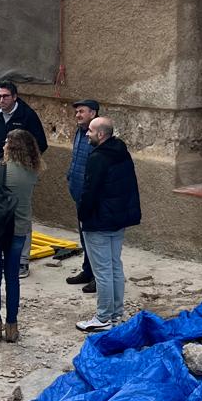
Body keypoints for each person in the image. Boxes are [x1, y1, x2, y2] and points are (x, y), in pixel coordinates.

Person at [0, 127, 41, 345]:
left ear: (11, 148)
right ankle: (12, 326)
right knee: (12, 278)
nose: (3, 145)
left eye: (6, 143)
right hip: (19, 229)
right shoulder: (32, 172)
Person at [75, 117, 140, 333]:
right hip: (118, 220)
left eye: (90, 131)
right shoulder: (122, 152)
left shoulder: (98, 158)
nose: (87, 134)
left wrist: (83, 215)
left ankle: (103, 317)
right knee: (114, 267)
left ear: (101, 134)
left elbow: (89, 191)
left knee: (102, 271)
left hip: (99, 222)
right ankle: (116, 314)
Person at [0, 81, 48, 277]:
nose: (1, 100)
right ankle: (4, 253)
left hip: (20, 173)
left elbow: (40, 143)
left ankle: (22, 260)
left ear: (15, 97)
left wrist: (26, 165)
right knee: (0, 213)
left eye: (5, 96)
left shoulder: (27, 116)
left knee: (21, 215)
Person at [65, 100, 99, 295]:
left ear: (92, 113)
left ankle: (97, 277)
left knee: (93, 238)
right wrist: (70, 176)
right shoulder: (80, 132)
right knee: (84, 236)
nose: (77, 115)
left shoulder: (97, 135)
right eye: (76, 111)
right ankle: (88, 271)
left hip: (91, 196)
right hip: (79, 193)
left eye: (81, 111)